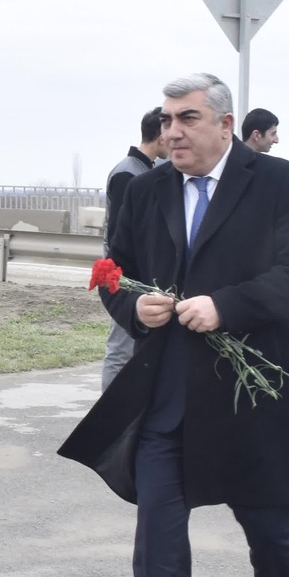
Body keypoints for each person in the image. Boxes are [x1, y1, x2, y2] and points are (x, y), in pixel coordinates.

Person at [58, 72, 289, 577]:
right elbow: (116, 274)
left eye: (187, 118)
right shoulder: (146, 189)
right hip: (169, 400)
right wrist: (135, 309)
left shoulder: (279, 182)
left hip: (251, 399)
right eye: (167, 119)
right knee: (156, 544)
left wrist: (226, 306)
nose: (172, 131)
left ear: (225, 124)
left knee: (270, 532)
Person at [99, 107, 168, 388]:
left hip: (131, 273)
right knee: (120, 347)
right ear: (160, 137)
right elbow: (120, 235)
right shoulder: (128, 174)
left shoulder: (142, 169)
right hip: (122, 274)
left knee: (130, 347)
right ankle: (110, 410)